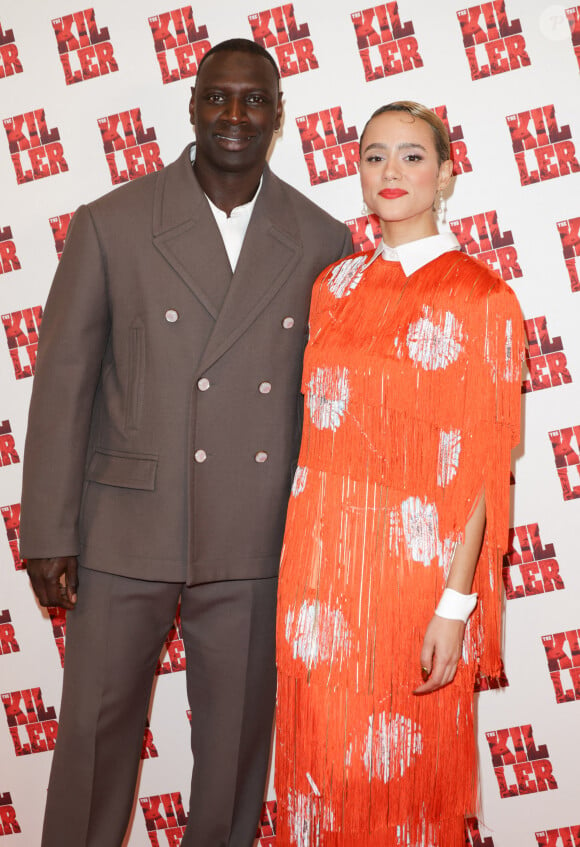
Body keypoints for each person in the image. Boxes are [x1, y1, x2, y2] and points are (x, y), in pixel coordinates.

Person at [19, 38, 352, 847]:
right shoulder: (112, 223)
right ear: (193, 103)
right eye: (219, 97)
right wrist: (49, 529)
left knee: (235, 754)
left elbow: (334, 406)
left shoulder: (322, 241)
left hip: (256, 532)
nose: (234, 116)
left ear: (279, 116)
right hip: (123, 527)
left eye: (254, 100)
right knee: (95, 742)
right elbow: (64, 384)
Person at [274, 101, 524, 846]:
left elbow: (484, 468)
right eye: (375, 155)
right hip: (314, 569)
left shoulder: (484, 297)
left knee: (406, 777)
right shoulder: (332, 287)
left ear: (447, 173)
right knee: (316, 769)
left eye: (413, 156)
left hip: (412, 573)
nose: (391, 172)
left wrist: (455, 603)